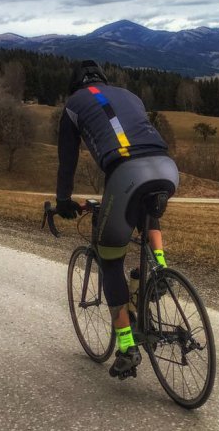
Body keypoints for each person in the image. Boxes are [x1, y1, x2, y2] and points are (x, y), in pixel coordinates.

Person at [55, 60, 180, 379]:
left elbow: (67, 159)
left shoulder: (73, 104)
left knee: (110, 259)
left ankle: (126, 346)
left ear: (75, 85)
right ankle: (159, 271)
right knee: (147, 212)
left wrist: (63, 200)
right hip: (166, 168)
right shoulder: (129, 94)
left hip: (125, 173)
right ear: (102, 79)